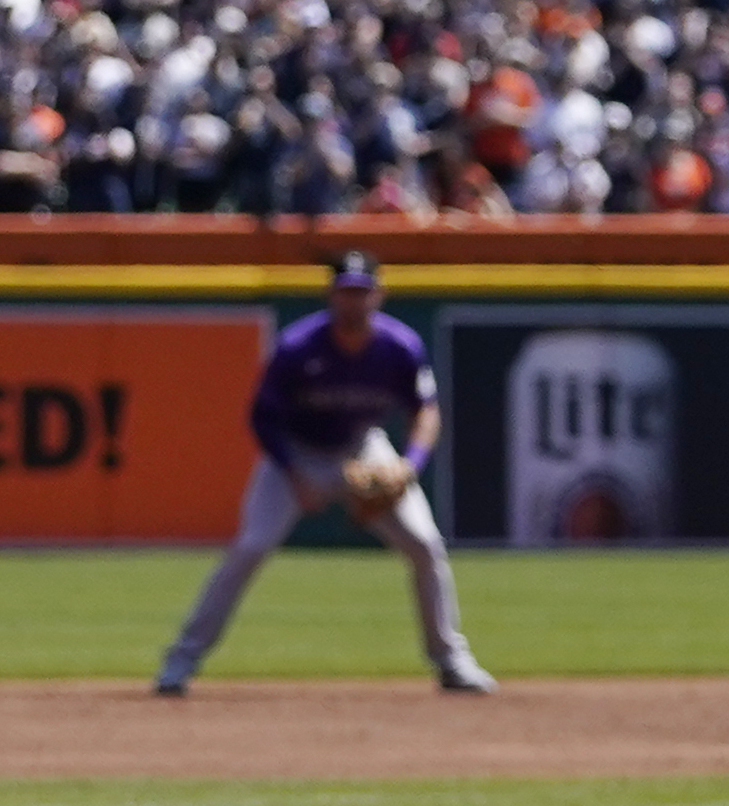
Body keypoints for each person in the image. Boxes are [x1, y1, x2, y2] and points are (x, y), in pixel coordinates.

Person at [156, 253, 493, 697]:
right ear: (330, 295)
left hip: (363, 448)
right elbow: (262, 419)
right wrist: (296, 478)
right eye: (346, 291)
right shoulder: (298, 347)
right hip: (295, 454)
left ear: (379, 294)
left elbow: (425, 411)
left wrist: (408, 464)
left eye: (362, 291)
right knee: (251, 546)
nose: (353, 301)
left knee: (425, 546)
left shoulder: (400, 346)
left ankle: (452, 661)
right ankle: (181, 661)